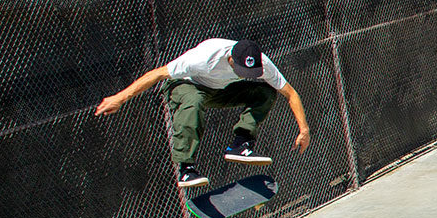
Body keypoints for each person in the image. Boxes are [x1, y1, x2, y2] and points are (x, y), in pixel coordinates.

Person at [95, 37, 311, 188]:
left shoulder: (262, 62)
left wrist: (304, 129)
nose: (245, 75)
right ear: (230, 59)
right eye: (241, 71)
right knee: (194, 99)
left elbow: (290, 93)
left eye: (249, 72)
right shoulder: (203, 58)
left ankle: (240, 144)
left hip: (218, 91)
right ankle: (186, 167)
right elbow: (157, 74)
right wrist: (120, 98)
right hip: (184, 86)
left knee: (265, 92)